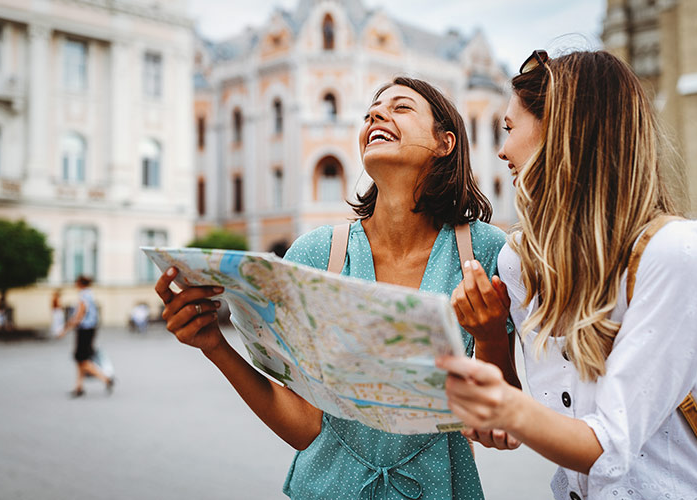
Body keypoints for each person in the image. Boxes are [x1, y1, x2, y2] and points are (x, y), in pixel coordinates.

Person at [154, 76, 510, 499]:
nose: (376, 114)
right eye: (372, 111)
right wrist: (215, 344)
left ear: (445, 143)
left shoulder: (485, 251)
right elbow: (305, 426)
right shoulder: (314, 253)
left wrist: (488, 338)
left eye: (400, 107)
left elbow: (502, 419)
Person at [437, 50, 697, 499]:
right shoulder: (521, 262)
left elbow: (609, 445)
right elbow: (516, 428)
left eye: (509, 128)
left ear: (564, 132)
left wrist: (504, 406)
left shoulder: (675, 254)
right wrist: (489, 341)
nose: (502, 150)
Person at [57, 275, 114, 397]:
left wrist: (65, 329)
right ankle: (79, 387)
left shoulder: (83, 296)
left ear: (79, 283)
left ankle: (106, 379)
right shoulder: (90, 294)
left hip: (85, 331)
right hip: (90, 329)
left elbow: (79, 316)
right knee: (80, 359)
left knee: (82, 359)